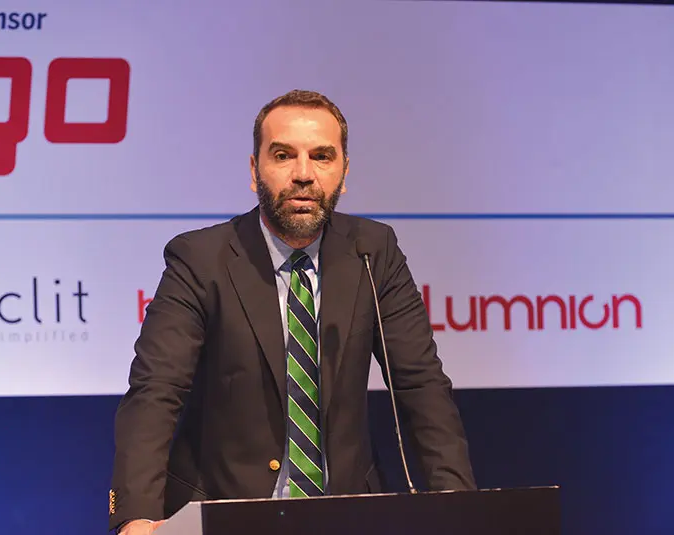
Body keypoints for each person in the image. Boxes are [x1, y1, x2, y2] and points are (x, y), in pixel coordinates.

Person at [108, 89, 476, 534]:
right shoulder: (200, 259)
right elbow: (156, 391)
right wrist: (137, 516)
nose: (303, 174)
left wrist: (458, 507)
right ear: (254, 170)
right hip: (224, 512)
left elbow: (420, 385)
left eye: (321, 156)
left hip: (346, 514)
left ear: (344, 172)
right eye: (283, 155)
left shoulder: (373, 252)